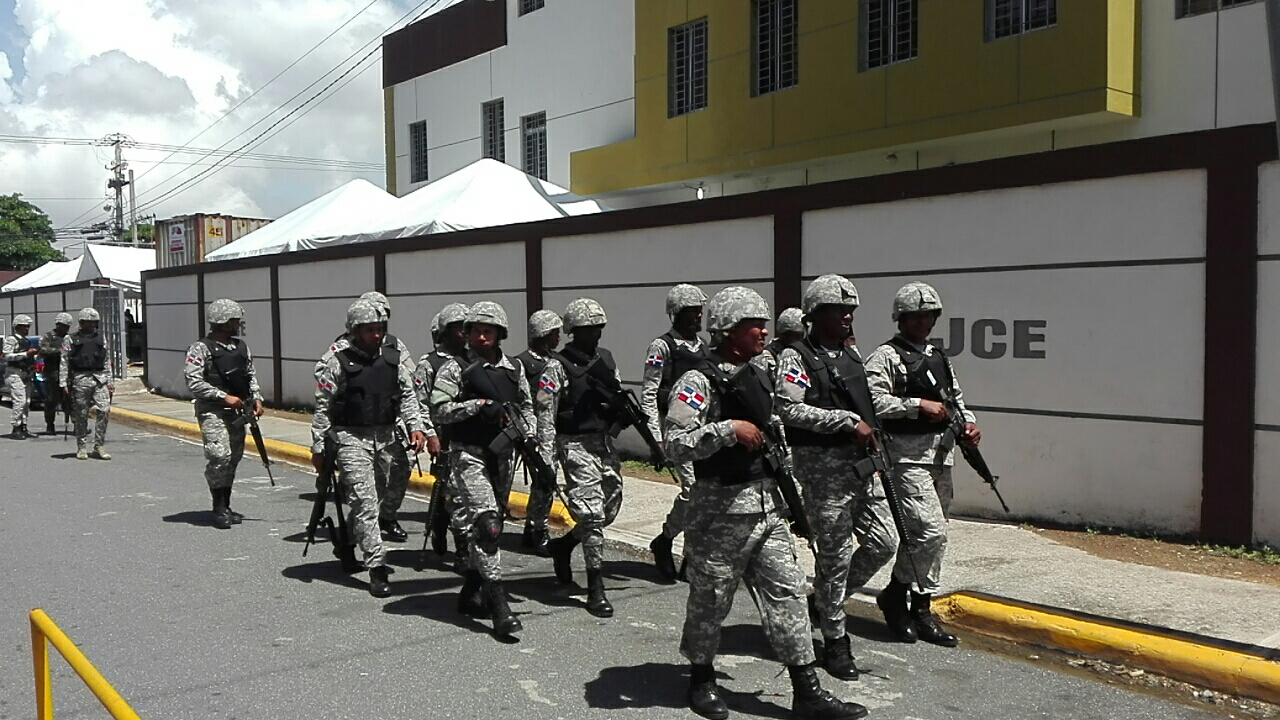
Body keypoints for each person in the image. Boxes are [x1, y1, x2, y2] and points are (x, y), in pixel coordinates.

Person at [664, 286, 867, 720]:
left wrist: (790, 493)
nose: (763, 331)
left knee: (789, 595)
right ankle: (701, 678)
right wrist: (727, 430)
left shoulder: (758, 372)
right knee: (711, 600)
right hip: (720, 513)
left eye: (763, 323)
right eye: (753, 325)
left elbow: (775, 427)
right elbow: (675, 443)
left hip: (768, 508)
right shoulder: (698, 381)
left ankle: (807, 692)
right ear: (727, 330)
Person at [775, 275, 893, 681]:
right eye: (839, 311)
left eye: (850, 311)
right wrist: (845, 421)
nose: (847, 317)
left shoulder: (851, 355)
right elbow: (789, 410)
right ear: (816, 314)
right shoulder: (797, 357)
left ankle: (824, 603)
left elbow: (869, 403)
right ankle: (835, 639)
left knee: (883, 543)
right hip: (824, 475)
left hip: (862, 469)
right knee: (835, 558)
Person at [861, 282, 981, 648]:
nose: (924, 322)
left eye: (929, 316)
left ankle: (920, 606)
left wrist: (968, 423)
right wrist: (916, 406)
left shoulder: (937, 355)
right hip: (906, 458)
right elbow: (871, 401)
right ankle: (897, 593)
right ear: (901, 318)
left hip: (940, 457)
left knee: (934, 538)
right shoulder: (885, 356)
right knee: (930, 532)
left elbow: (955, 398)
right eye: (916, 316)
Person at [430, 301, 535, 636]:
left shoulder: (514, 369)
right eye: (475, 331)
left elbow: (527, 407)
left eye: (488, 331)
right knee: (488, 526)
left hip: (502, 456)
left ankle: (470, 590)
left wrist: (529, 437)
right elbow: (438, 410)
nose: (481, 337)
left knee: (490, 527)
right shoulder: (455, 368)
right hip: (468, 456)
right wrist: (477, 406)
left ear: (500, 334)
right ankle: (498, 604)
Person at [312, 299, 428, 598]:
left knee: (377, 500)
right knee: (364, 502)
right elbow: (323, 407)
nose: (376, 335)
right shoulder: (338, 361)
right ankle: (376, 567)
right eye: (369, 330)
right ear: (354, 331)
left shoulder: (392, 359)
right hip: (351, 438)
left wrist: (416, 426)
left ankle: (347, 540)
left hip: (386, 437)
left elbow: (407, 395)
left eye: (379, 329)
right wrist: (319, 446)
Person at [322, 291, 436, 543]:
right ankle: (363, 535)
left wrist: (415, 424)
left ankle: (386, 516)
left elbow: (408, 379)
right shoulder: (343, 348)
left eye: (381, 322)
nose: (377, 331)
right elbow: (324, 377)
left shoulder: (393, 344)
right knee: (366, 490)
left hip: (390, 420)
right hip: (355, 426)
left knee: (399, 470)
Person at [538, 298, 625, 617]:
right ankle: (595, 587)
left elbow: (616, 393)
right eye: (588, 329)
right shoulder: (557, 366)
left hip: (603, 442)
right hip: (573, 444)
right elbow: (546, 415)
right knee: (592, 515)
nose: (595, 334)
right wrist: (547, 460)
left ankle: (563, 545)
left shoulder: (606, 359)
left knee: (610, 507)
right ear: (573, 330)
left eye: (598, 328)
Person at [644, 284, 709, 582]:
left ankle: (690, 557)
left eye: (700, 311)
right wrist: (655, 438)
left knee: (703, 496)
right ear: (676, 313)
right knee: (692, 490)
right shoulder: (662, 347)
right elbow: (649, 394)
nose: (698, 316)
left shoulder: (703, 346)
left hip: (704, 431)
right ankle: (666, 539)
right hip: (677, 430)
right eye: (691, 311)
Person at [184, 299, 265, 530]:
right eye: (235, 321)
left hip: (238, 411)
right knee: (219, 456)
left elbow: (250, 375)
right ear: (223, 322)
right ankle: (218, 506)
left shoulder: (241, 347)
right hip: (213, 410)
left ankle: (226, 505)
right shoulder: (200, 348)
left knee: (233, 458)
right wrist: (222, 396)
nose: (238, 324)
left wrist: (257, 398)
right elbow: (193, 381)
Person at [414, 302, 471, 569]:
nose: (464, 334)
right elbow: (420, 404)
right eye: (459, 329)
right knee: (451, 493)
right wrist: (430, 435)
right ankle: (459, 547)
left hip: (471, 437)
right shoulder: (430, 364)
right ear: (446, 332)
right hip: (445, 438)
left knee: (464, 493)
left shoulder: (475, 359)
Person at [515, 308, 563, 556]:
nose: (558, 337)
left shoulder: (557, 362)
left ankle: (531, 528)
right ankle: (538, 530)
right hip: (533, 433)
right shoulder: (521, 364)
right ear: (542, 333)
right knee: (544, 481)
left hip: (554, 432)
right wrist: (527, 436)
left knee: (544, 483)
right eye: (554, 333)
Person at [60, 308, 114, 460]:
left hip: (99, 378)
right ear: (81, 323)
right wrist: (63, 383)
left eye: (94, 323)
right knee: (81, 414)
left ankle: (99, 446)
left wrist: (110, 381)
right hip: (80, 379)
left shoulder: (101, 338)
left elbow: (106, 360)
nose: (91, 325)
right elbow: (64, 361)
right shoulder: (70, 339)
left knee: (104, 410)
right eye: (88, 322)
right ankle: (82, 446)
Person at [38, 313, 74, 435]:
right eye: (63, 326)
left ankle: (77, 425)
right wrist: (59, 351)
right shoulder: (48, 337)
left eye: (67, 326)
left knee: (70, 400)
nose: (65, 329)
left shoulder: (69, 338)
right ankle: (50, 425)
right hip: (52, 372)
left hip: (67, 373)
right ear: (58, 325)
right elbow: (43, 349)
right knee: (51, 400)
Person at [5, 314, 38, 439]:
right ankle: (16, 427)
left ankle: (24, 426)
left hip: (26, 373)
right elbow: (7, 355)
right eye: (24, 326)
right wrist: (25, 354)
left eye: (27, 326)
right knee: (20, 401)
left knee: (27, 402)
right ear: (17, 327)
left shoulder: (26, 341)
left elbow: (29, 357)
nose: (26, 329)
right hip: (14, 372)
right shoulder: (11, 340)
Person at [753, 307, 804, 379]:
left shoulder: (802, 354)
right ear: (785, 334)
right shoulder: (764, 357)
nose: (801, 338)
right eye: (797, 335)